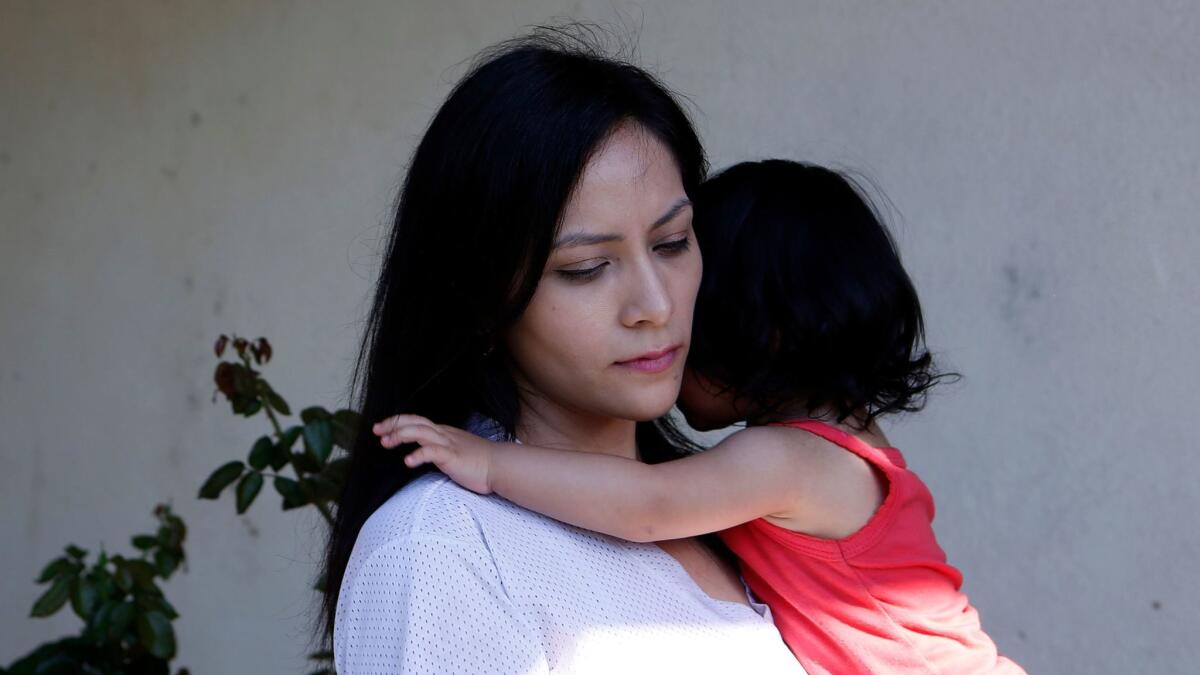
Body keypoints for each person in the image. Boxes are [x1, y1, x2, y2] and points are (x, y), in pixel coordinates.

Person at [382, 160, 1026, 674]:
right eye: (586, 268)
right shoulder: (852, 444)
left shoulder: (788, 461)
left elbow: (648, 504)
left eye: (699, 324)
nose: (662, 317)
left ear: (763, 338)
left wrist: (492, 462)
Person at [323, 31, 807, 674]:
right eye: (585, 268)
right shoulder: (441, 550)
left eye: (673, 243)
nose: (654, 304)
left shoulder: (735, 516)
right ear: (482, 300)